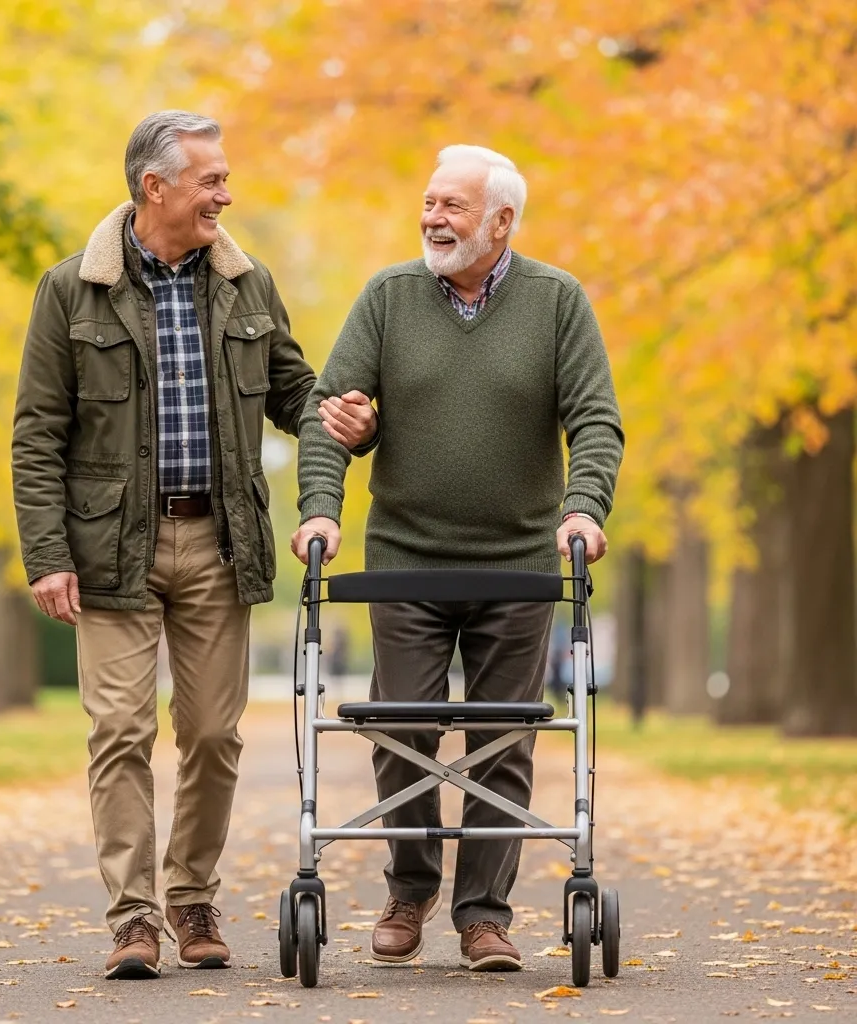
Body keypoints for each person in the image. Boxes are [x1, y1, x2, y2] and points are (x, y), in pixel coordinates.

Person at [12, 111, 376, 980]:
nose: (225, 193)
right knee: (119, 732)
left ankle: (191, 898)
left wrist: (341, 416)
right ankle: (133, 919)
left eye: (223, 178)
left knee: (213, 734)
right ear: (155, 187)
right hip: (110, 552)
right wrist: (47, 552)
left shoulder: (246, 285)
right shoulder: (72, 290)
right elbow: (37, 433)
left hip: (219, 542)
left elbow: (295, 390)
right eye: (210, 179)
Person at [292, 145, 623, 971]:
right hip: (406, 559)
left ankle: (484, 915)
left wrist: (584, 508)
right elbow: (329, 416)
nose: (432, 218)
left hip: (517, 563)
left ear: (502, 222)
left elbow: (596, 422)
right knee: (401, 730)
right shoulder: (389, 297)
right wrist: (321, 513)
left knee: (502, 739)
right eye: (429, 201)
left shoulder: (556, 301)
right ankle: (410, 889)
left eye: (453, 207)